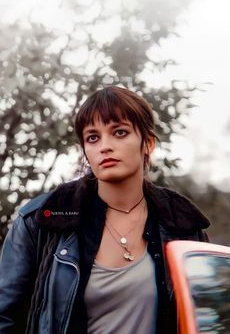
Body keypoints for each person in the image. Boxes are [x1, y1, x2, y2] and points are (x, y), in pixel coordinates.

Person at [0, 85, 210, 334]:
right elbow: (5, 319)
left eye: (119, 132)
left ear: (148, 144)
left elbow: (206, 316)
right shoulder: (42, 220)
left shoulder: (182, 225)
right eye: (93, 137)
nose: (104, 146)